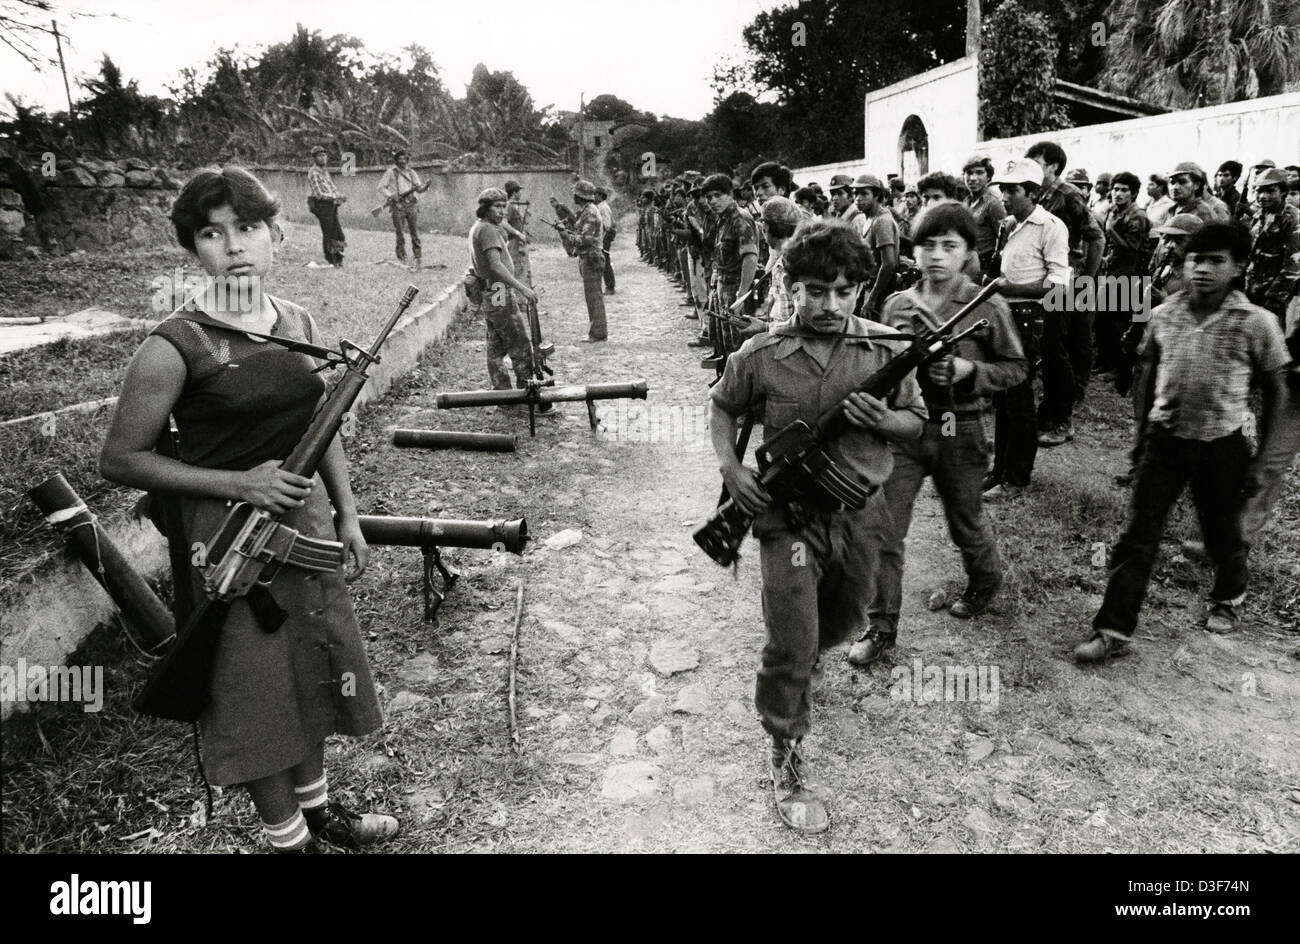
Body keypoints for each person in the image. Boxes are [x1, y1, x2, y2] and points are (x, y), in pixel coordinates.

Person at [99, 166, 397, 853]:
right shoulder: (175, 345)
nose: (233, 246)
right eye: (212, 232)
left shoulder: (298, 324)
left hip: (303, 528)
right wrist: (241, 485)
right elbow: (119, 460)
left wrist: (347, 514)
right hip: (228, 542)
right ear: (192, 249)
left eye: (247, 228)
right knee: (254, 693)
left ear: (276, 234)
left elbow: (321, 429)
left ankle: (321, 814)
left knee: (314, 669)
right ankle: (288, 839)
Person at [707, 218, 926, 833]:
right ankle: (786, 748)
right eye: (814, 290)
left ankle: (807, 660)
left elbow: (916, 423)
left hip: (859, 514)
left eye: (843, 292)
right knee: (793, 640)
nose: (829, 305)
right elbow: (722, 406)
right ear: (791, 286)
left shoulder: (887, 351)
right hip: (787, 520)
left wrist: (885, 420)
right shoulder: (761, 355)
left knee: (842, 620)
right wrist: (731, 467)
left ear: (861, 289)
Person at [1074, 223, 1289, 661]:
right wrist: (1141, 435)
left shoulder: (1256, 323)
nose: (1203, 270)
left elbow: (1277, 389)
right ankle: (1113, 630)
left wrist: (1263, 459)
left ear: (1239, 267)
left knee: (1221, 532)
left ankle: (1228, 597)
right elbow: (1148, 371)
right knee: (1138, 536)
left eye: (1216, 261)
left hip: (1221, 444)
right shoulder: (1164, 314)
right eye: (1196, 260)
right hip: (1165, 441)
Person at [851, 203, 1026, 667]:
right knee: (885, 530)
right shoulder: (898, 305)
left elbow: (1017, 368)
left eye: (950, 246)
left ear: (969, 252)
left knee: (964, 520)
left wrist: (970, 370)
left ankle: (984, 582)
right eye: (928, 245)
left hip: (960, 425)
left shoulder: (987, 302)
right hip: (906, 429)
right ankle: (881, 626)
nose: (937, 256)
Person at [985, 158, 1071, 499]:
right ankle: (1000, 470)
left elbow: (1058, 286)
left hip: (1028, 317)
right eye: (1003, 189)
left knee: (1019, 399)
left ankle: (1017, 478)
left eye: (1013, 190)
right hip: (1003, 313)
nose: (1005, 195)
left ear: (1032, 193)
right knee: (1002, 398)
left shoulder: (1051, 226)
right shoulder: (1008, 225)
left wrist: (1010, 288)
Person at [1025, 141, 1103, 445]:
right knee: (1049, 349)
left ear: (1053, 166)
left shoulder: (1068, 194)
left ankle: (1062, 419)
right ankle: (1048, 414)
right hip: (1047, 279)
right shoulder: (1038, 194)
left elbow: (1096, 238)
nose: (1030, 166)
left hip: (1066, 280)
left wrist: (1086, 280)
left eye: (1036, 161)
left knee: (1060, 352)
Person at [468, 187, 551, 415]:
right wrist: (523, 288)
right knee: (520, 345)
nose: (502, 211)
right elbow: (495, 266)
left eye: (504, 206)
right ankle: (527, 398)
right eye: (497, 206)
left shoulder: (483, 227)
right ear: (484, 208)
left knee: (495, 348)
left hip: (492, 291)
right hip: (498, 290)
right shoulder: (487, 230)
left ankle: (503, 396)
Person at [1098, 171, 1151, 373]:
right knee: (1105, 319)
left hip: (1131, 274)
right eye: (1115, 189)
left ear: (1134, 193)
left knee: (1120, 321)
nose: (1117, 193)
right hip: (1113, 271)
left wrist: (1111, 230)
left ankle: (1117, 366)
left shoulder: (1137, 216)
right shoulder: (1113, 210)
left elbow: (1132, 249)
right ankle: (1105, 361)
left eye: (1124, 190)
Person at [1244, 168, 1300, 321]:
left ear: (1283, 192)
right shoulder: (1259, 215)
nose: (1263, 196)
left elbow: (1293, 266)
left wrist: (1274, 298)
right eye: (1259, 191)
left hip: (1273, 296)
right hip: (1251, 290)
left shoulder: (1292, 219)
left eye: (1270, 191)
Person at [702, 172, 759, 323]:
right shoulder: (722, 219)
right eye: (709, 197)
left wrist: (741, 296)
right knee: (726, 342)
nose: (713, 201)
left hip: (737, 290)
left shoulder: (739, 219)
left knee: (737, 341)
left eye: (718, 195)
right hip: (723, 287)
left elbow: (750, 258)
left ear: (730, 195)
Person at [557, 179, 607, 342]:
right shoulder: (587, 210)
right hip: (589, 257)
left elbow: (586, 239)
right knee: (593, 296)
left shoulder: (590, 212)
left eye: (575, 194)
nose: (573, 196)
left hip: (591, 257)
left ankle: (598, 333)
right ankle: (597, 331)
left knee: (594, 297)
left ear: (580, 196)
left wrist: (566, 235)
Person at [850, 173, 900, 318]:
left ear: (877, 196)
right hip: (868, 288)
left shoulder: (882, 221)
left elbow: (889, 263)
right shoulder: (869, 219)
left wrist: (872, 298)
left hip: (880, 292)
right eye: (856, 193)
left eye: (864, 194)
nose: (858, 198)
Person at [377, 149, 427, 268]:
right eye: (400, 159)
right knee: (400, 232)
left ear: (407, 160)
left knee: (414, 232)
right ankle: (402, 256)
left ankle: (417, 255)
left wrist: (426, 187)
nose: (402, 161)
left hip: (411, 204)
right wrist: (390, 195)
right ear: (396, 161)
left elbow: (419, 188)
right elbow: (381, 187)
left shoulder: (412, 172)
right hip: (398, 205)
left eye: (404, 159)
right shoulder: (390, 172)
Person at [963, 155, 1007, 276]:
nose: (973, 178)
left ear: (988, 177)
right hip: (966, 267)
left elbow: (1004, 240)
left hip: (984, 269)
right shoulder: (966, 202)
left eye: (979, 173)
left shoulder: (993, 204)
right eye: (969, 173)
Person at [305, 145, 346, 267]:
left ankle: (338, 258)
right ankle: (332, 259)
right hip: (322, 206)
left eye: (324, 155)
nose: (323, 158)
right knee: (328, 233)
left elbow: (332, 187)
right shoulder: (313, 173)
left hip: (332, 205)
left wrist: (339, 196)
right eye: (319, 156)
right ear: (314, 158)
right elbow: (318, 194)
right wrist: (335, 197)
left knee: (339, 234)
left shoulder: (325, 171)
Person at [502, 180, 532, 288]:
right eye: (519, 191)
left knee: (523, 270)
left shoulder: (516, 206)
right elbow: (503, 223)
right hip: (513, 244)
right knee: (517, 271)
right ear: (514, 192)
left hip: (520, 243)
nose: (521, 194)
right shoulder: (508, 206)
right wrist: (517, 233)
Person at [595, 185, 616, 294]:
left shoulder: (603, 207)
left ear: (600, 196)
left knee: (605, 260)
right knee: (605, 260)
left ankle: (610, 286)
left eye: (595, 195)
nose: (594, 197)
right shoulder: (600, 206)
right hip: (604, 235)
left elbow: (607, 226)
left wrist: (602, 240)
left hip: (606, 235)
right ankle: (609, 285)